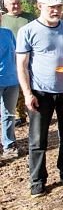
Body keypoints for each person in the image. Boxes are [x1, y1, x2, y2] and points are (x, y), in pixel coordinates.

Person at [16, 0, 63, 197]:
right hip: (41, 92)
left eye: (59, 7)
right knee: (38, 139)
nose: (56, 11)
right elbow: (21, 65)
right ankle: (37, 181)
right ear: (39, 6)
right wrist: (28, 93)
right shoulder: (28, 31)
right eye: (51, 7)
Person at [2, 0, 35, 127]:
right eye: (12, 4)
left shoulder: (30, 17)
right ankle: (19, 115)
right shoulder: (3, 19)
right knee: (16, 87)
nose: (16, 5)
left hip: (30, 56)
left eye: (17, 3)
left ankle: (34, 111)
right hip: (10, 59)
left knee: (30, 85)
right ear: (5, 6)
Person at [0, 10, 19, 159]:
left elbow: (17, 54)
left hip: (12, 80)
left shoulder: (7, 33)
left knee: (9, 114)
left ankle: (9, 144)